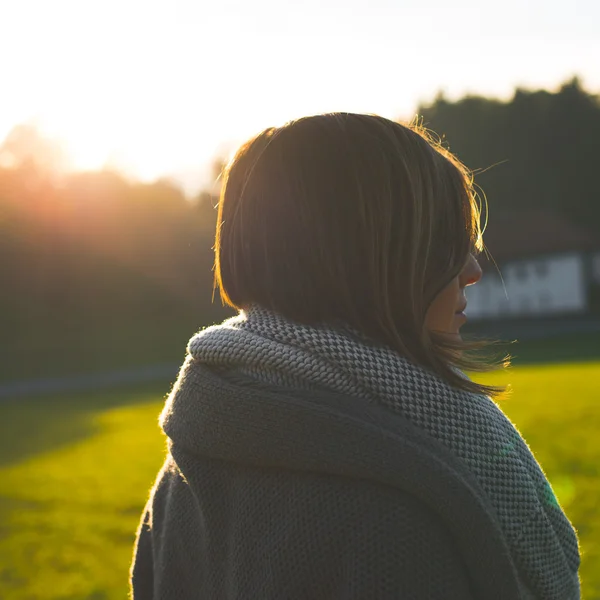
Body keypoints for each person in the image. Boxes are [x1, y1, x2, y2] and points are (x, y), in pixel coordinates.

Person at [130, 113, 580, 599]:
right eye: (448, 244)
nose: (472, 270)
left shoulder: (187, 468)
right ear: (369, 256)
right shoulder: (397, 514)